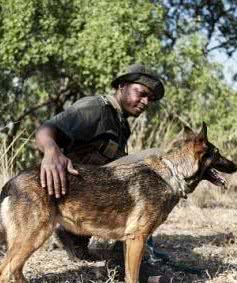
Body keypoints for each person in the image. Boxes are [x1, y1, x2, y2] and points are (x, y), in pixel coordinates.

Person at [35, 64, 169, 268]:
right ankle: (127, 253)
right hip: (70, 192)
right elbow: (46, 129)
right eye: (141, 93)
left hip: (91, 196)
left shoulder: (122, 124)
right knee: (153, 159)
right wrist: (52, 151)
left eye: (149, 99)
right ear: (122, 86)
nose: (145, 102)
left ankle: (83, 238)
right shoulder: (95, 107)